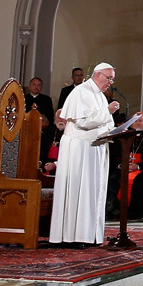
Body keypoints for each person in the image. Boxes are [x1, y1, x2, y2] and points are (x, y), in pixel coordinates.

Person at [50, 63, 116, 245]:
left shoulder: (100, 96)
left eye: (112, 79)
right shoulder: (81, 92)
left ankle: (90, 235)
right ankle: (74, 235)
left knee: (93, 191)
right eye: (109, 78)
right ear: (98, 75)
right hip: (80, 148)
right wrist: (107, 111)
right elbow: (84, 122)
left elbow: (105, 123)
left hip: (96, 148)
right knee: (81, 190)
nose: (110, 82)